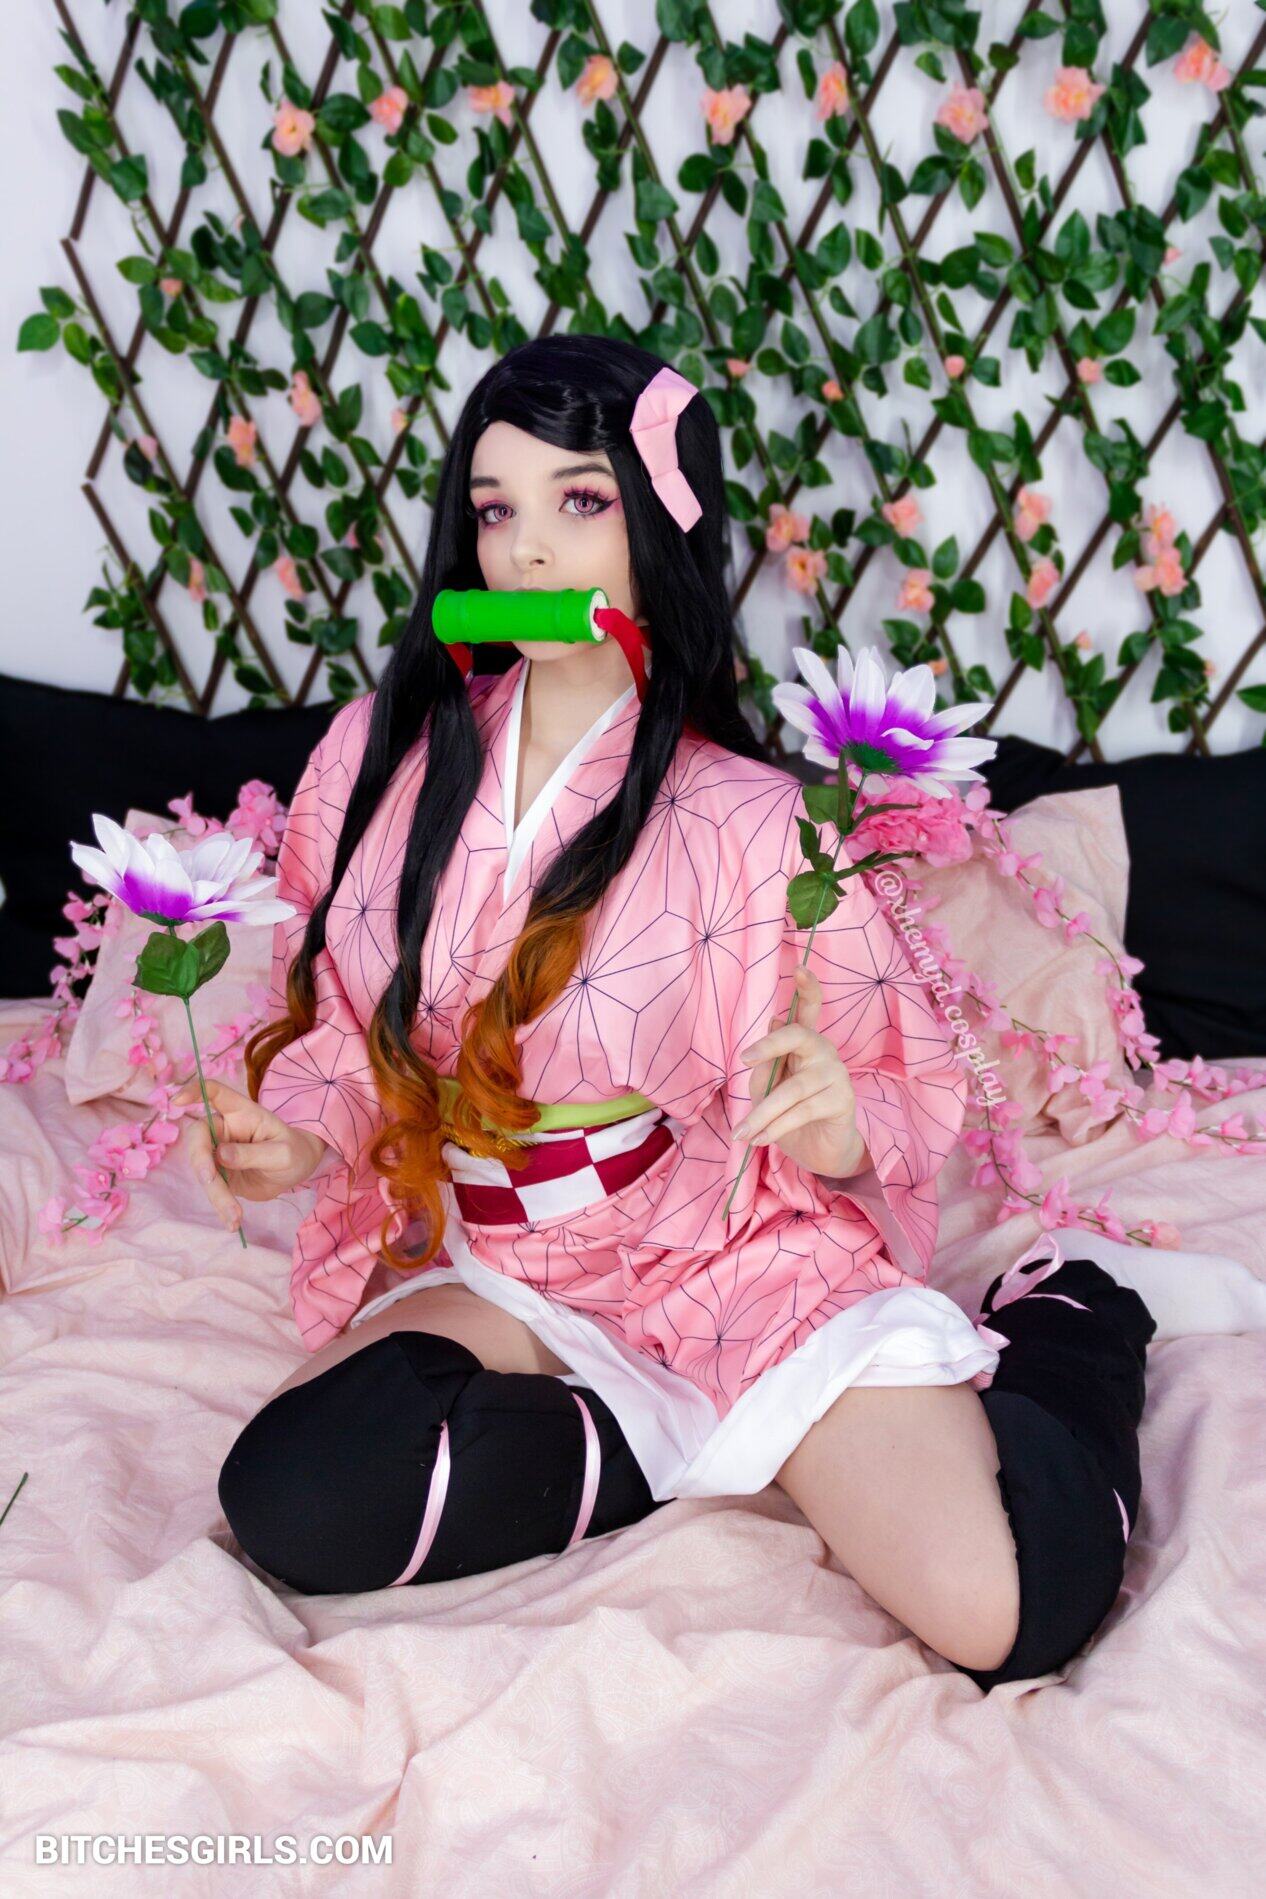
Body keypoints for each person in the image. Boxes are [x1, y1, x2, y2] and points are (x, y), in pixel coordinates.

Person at [176, 335, 1155, 1690]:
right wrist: (293, 1136)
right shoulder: (378, 753)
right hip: (512, 1269)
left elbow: (897, 1074)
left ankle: (1074, 1316)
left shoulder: (755, 817)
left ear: (661, 523)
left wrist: (834, 1126)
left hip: (725, 1258)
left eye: (579, 501)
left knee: (1008, 1617)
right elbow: (341, 1017)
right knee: (291, 1496)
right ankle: (657, 1444)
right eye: (495, 508)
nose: (525, 549)